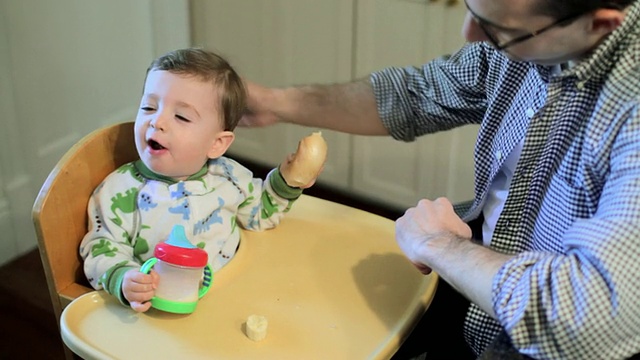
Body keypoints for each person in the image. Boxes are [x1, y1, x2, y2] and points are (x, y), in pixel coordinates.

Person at [239, 0, 640, 358]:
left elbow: (591, 313)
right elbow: (421, 94)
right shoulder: (532, 32)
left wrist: (439, 245)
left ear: (600, 24)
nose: (470, 33)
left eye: (498, 30)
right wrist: (277, 104)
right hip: (479, 290)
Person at [80, 48, 323, 313]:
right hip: (160, 312)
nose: (157, 121)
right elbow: (101, 247)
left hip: (231, 297)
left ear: (217, 143)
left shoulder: (229, 177)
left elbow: (260, 213)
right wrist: (124, 279)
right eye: (149, 107)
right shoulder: (119, 190)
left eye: (181, 116)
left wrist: (287, 183)